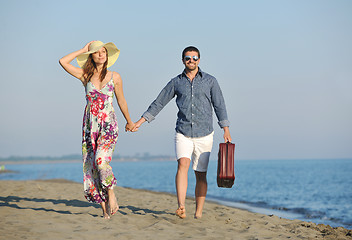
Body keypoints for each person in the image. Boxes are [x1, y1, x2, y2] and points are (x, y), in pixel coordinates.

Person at [132, 46, 232, 219]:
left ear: (199, 60)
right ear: (183, 60)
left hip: (205, 133)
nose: (191, 60)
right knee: (182, 165)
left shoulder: (210, 81)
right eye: (188, 58)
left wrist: (226, 129)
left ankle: (198, 212)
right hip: (183, 131)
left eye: (194, 58)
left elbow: (219, 105)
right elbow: (159, 103)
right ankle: (181, 206)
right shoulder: (176, 82)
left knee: (201, 174)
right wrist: (140, 121)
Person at [59, 41, 135, 219]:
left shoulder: (115, 76)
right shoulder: (85, 75)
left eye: (104, 52)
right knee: (92, 166)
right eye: (97, 52)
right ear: (91, 56)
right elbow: (63, 61)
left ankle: (111, 194)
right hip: (90, 126)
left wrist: (129, 121)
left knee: (101, 161)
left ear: (108, 56)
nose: (101, 55)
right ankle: (104, 210)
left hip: (109, 125)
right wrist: (83, 50)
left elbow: (121, 101)